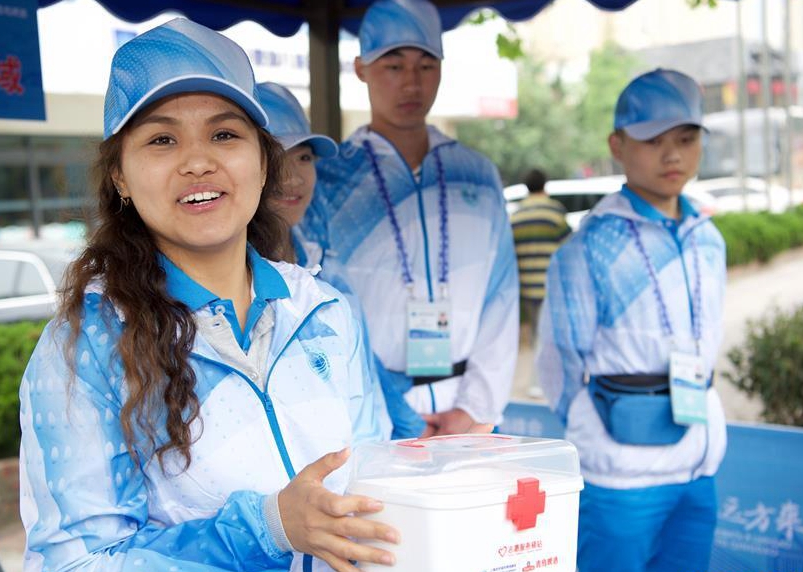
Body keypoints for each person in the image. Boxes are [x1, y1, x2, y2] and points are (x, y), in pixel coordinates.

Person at [18, 18, 398, 572]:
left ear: (264, 162)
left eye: (224, 135)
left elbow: (377, 487)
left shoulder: (323, 310)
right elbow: (75, 564)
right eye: (162, 139)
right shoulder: (88, 344)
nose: (198, 162)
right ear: (120, 176)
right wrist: (266, 529)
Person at [536, 68, 727, 572]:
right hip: (620, 472)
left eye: (685, 138)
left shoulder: (708, 238)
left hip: (698, 463)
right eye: (653, 140)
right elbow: (558, 362)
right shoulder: (589, 246)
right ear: (617, 145)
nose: (672, 155)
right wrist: (597, 433)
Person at [302, 0, 519, 438]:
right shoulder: (330, 177)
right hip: (368, 415)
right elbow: (317, 306)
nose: (411, 83)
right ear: (361, 69)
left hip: (467, 417)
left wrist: (477, 409)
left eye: (426, 65)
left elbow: (502, 294)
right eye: (393, 65)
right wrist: (387, 411)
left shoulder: (476, 173)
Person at [257, 81, 424, 439]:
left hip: (368, 460)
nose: (293, 177)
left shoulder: (324, 264)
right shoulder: (235, 281)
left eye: (304, 158)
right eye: (276, 158)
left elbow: (364, 367)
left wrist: (410, 430)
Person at [510, 168, 570, 346]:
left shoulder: (516, 216)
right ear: (544, 184)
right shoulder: (554, 211)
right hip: (553, 285)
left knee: (537, 335)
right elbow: (569, 247)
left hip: (527, 287)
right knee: (554, 337)